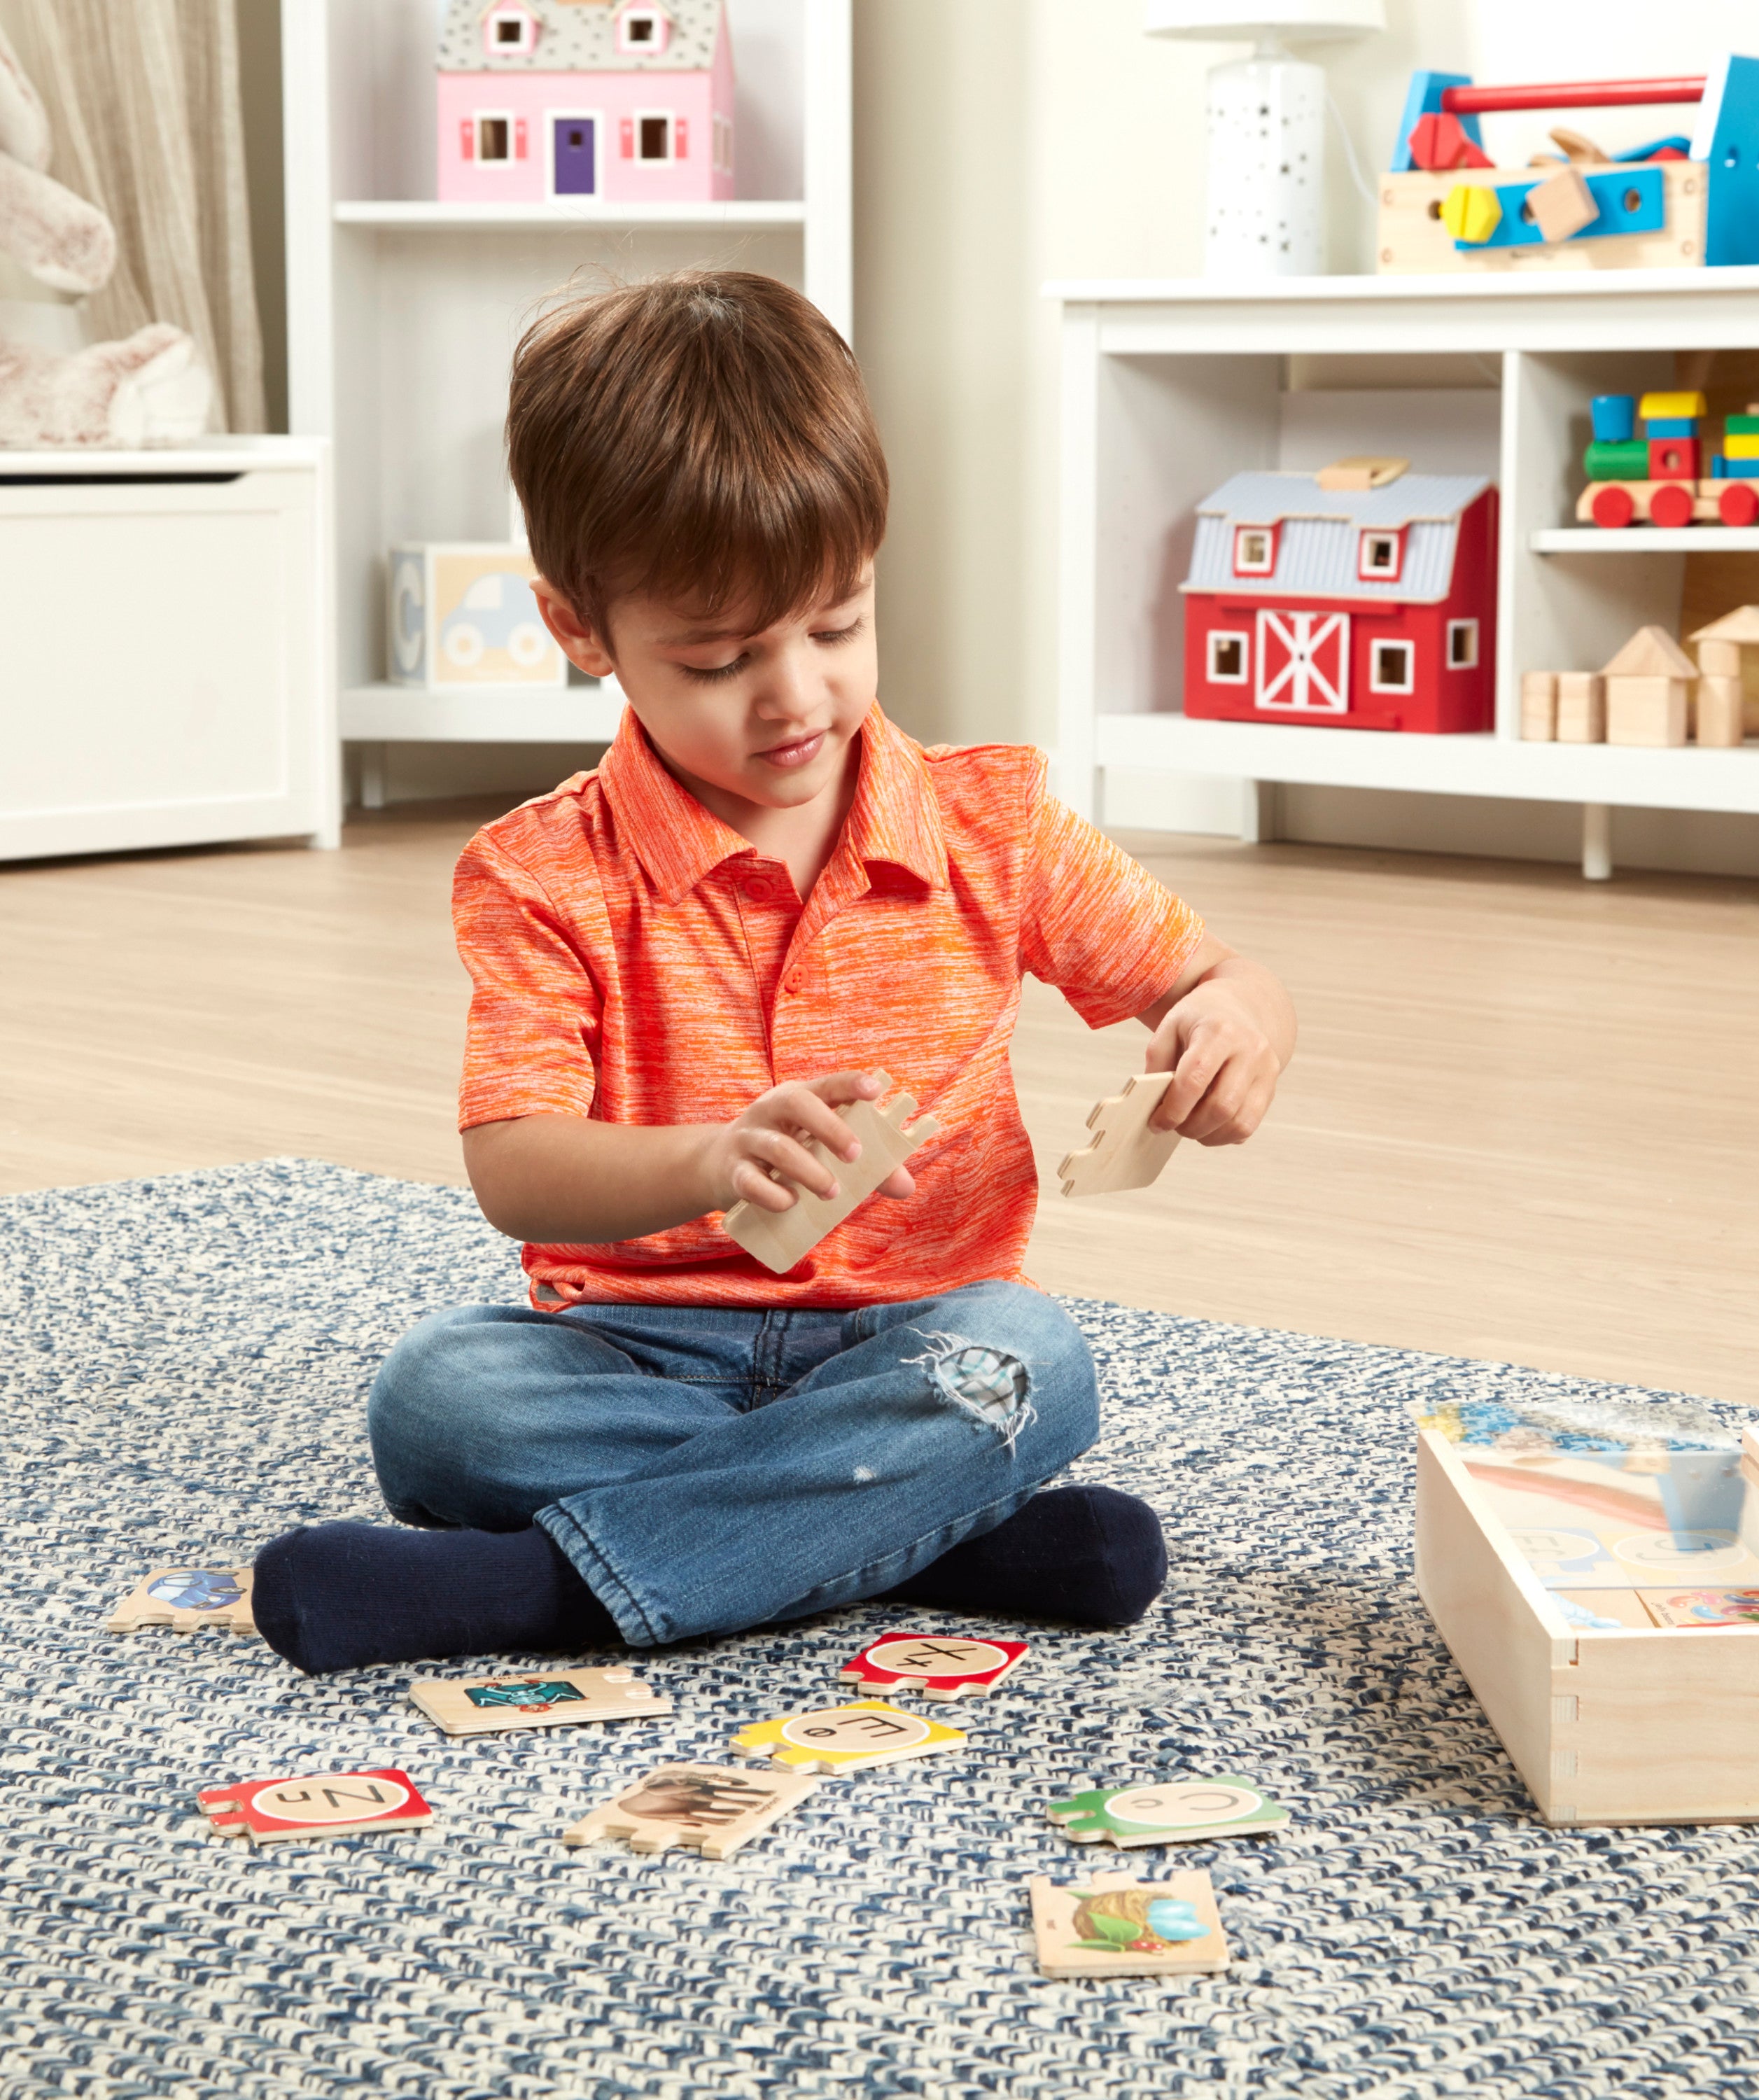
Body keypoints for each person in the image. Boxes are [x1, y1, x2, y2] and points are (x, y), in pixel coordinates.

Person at [249, 269, 1296, 1674]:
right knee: (438, 1403)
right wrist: (708, 1164)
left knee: (1033, 1360)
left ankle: (540, 1595)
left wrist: (1231, 1024)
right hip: (633, 1352)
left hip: (912, 1335)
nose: (795, 693)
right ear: (580, 631)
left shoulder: (993, 823)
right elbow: (514, 1165)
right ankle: (933, 1534)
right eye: (722, 658)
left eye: (836, 624)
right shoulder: (543, 871)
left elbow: (1212, 974)